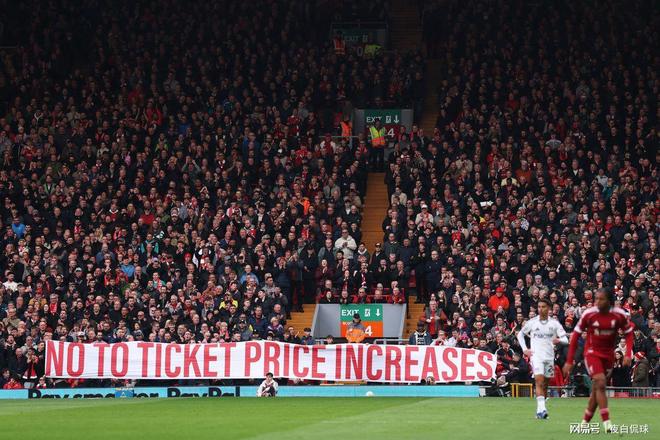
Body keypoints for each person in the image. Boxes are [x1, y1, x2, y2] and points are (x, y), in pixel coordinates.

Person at [563, 288, 634, 433]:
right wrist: (569, 360)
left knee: (597, 388)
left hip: (608, 356)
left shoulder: (618, 315)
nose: (597, 302)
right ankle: (607, 423)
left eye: (601, 299)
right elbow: (575, 336)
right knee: (600, 383)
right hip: (592, 353)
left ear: (609, 301)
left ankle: (584, 422)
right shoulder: (589, 314)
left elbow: (628, 333)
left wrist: (627, 354)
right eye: (596, 298)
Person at [516, 298, 568, 419]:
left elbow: (565, 339)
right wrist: (525, 349)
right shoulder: (532, 322)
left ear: (549, 308)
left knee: (545, 384)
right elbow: (520, 334)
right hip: (536, 356)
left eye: (543, 307)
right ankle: (543, 410)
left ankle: (539, 411)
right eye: (539, 307)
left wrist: (559, 340)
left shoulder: (554, 323)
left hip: (549, 357)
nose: (540, 309)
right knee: (539, 381)